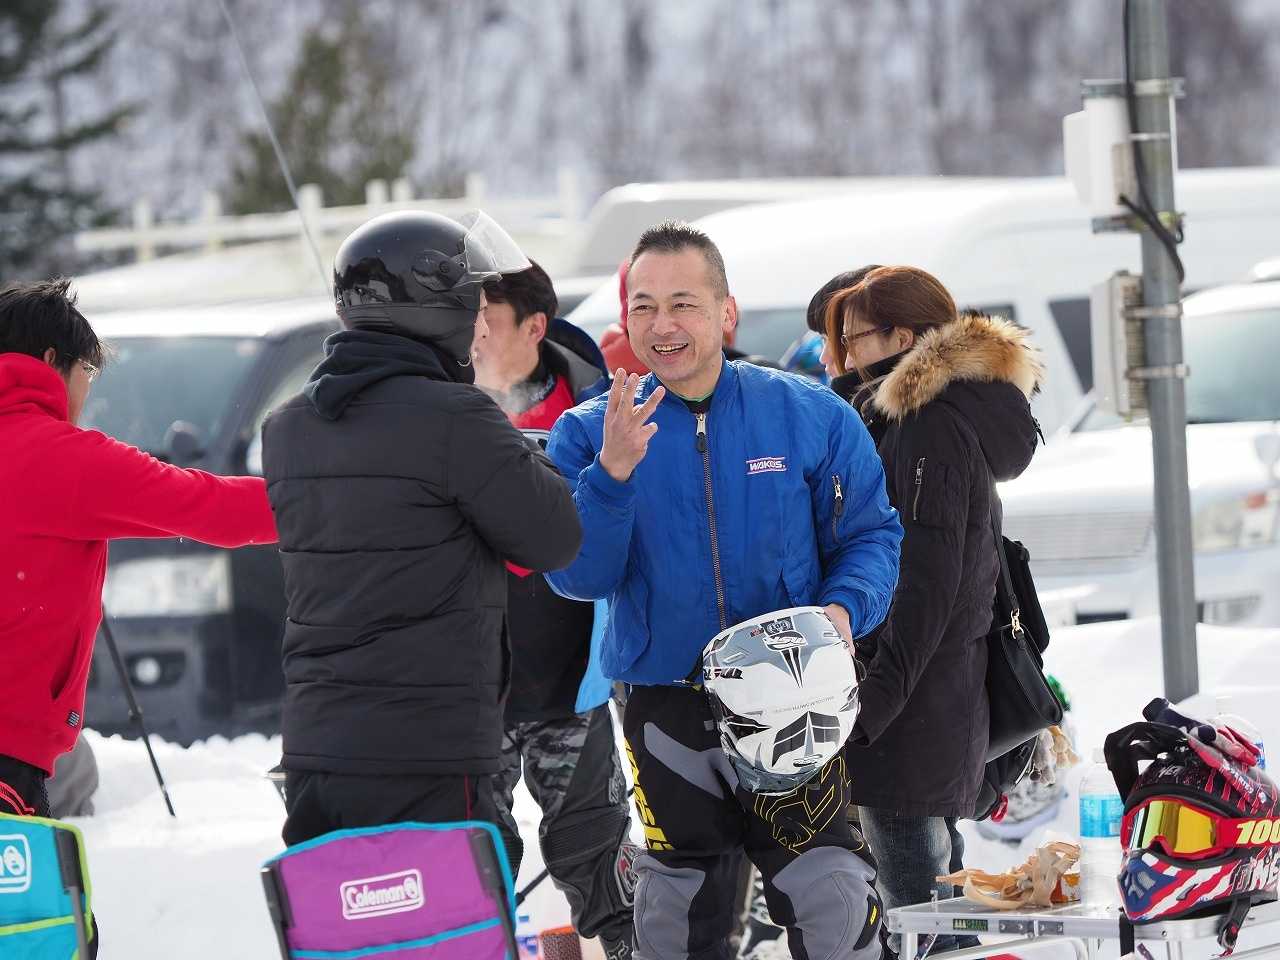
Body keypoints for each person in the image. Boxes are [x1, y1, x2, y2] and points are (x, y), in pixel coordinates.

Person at [545, 220, 902, 960]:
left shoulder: (808, 414)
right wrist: (611, 475)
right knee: (680, 914)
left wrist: (843, 611)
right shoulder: (588, 433)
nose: (662, 325)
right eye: (643, 307)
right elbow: (579, 576)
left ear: (725, 312)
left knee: (832, 899)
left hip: (793, 697)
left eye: (683, 303)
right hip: (666, 708)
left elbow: (872, 535)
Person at [262, 210, 583, 848]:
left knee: (346, 911)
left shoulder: (287, 426)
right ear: (437, 311)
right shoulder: (458, 418)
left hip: (318, 744)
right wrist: (541, 458)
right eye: (476, 310)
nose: (480, 331)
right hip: (430, 749)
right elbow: (553, 538)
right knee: (451, 911)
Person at [0, 278, 279, 818]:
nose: (87, 392)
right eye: (87, 372)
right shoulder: (63, 458)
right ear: (52, 360)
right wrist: (329, 498)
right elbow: (212, 506)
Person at [825, 266, 1043, 954]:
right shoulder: (918, 417)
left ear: (902, 338)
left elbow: (927, 579)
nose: (845, 356)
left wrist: (876, 703)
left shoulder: (929, 426)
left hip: (914, 704)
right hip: (929, 694)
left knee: (922, 922)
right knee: (933, 905)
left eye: (854, 339)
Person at [471, 261, 638, 959]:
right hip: (468, 688)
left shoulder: (593, 403)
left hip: (570, 683)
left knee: (598, 859)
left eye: (487, 321)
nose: (473, 336)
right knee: (473, 870)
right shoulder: (444, 404)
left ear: (534, 326)